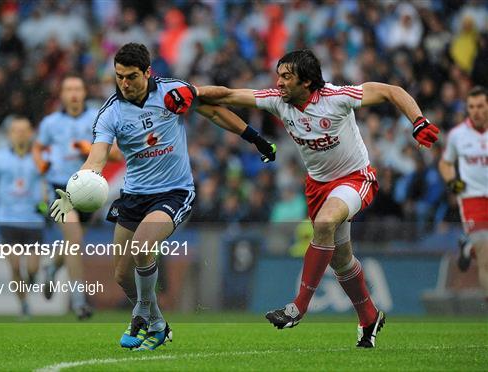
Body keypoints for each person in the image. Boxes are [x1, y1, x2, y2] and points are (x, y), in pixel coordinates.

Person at [165, 49, 440, 348]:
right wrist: (190, 91)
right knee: (342, 260)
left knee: (324, 223)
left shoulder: (337, 97)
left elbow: (390, 91)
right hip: (317, 187)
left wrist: (418, 121)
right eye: (278, 76)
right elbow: (229, 95)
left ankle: (299, 306)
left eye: (286, 77)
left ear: (307, 82)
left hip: (354, 179)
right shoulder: (277, 100)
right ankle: (369, 316)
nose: (279, 83)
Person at [49, 43, 276, 351]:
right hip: (134, 195)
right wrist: (75, 190)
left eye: (131, 77)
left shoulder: (171, 94)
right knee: (121, 274)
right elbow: (97, 159)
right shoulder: (110, 113)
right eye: (119, 77)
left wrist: (256, 139)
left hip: (174, 191)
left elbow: (213, 110)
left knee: (143, 248)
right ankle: (157, 323)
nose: (124, 84)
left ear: (147, 72)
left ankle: (140, 315)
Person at [32, 73, 98, 320]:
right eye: (68, 89)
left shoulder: (96, 118)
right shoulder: (50, 123)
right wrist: (41, 164)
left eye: (77, 89)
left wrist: (90, 149)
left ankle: (51, 267)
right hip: (60, 188)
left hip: (89, 189)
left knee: (74, 241)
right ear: (61, 95)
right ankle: (79, 300)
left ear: (83, 93)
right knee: (74, 237)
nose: (73, 93)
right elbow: (38, 148)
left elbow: (113, 153)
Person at [0, 116, 46, 317]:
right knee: (14, 266)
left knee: (32, 270)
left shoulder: (40, 157)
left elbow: (46, 183)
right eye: (16, 130)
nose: (20, 134)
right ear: (9, 135)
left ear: (31, 133)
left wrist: (45, 201)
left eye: (24, 130)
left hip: (33, 220)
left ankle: (29, 286)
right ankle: (23, 305)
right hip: (6, 218)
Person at [439, 86, 488, 301]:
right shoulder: (458, 135)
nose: (476, 111)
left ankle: (467, 249)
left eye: (480, 106)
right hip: (472, 200)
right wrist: (453, 183)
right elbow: (445, 164)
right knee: (486, 254)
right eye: (471, 107)